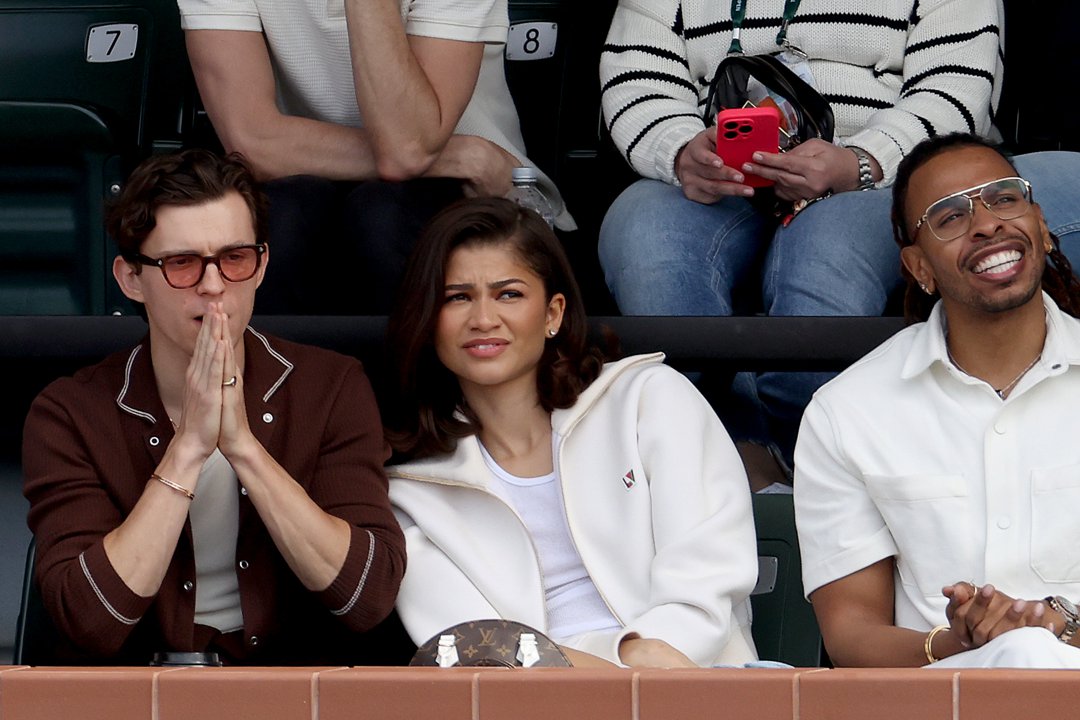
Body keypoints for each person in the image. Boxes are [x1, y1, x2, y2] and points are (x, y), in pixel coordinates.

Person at [598, 0, 1080, 466]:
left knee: (825, 259)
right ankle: (723, 456)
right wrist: (679, 149)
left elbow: (956, 87)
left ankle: (811, 462)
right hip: (717, 175)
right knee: (647, 237)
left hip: (880, 175)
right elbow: (636, 78)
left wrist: (862, 161)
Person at [21, 149, 406, 664]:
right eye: (181, 263)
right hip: (134, 696)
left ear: (262, 264)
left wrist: (243, 447)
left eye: (235, 258)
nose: (214, 285)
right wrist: (188, 451)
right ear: (131, 279)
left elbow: (367, 596)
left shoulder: (331, 386)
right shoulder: (69, 412)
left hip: (290, 694)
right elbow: (89, 618)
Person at [384, 197, 758, 667]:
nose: (482, 318)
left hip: (695, 681)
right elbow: (476, 653)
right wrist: (611, 679)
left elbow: (705, 589)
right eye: (457, 296)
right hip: (537, 708)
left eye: (509, 294)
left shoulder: (648, 399)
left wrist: (642, 664)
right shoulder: (411, 491)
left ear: (553, 314)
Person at [793, 133, 1080, 668]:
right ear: (919, 267)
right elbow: (852, 635)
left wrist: (1063, 626)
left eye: (1004, 198)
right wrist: (959, 643)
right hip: (940, 693)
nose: (987, 223)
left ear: (1041, 227)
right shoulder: (847, 410)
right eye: (949, 218)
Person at [177, 0, 573, 314]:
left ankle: (421, 413)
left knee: (380, 216)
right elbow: (252, 141)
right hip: (301, 184)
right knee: (284, 218)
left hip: (469, 194)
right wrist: (459, 155)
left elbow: (408, 145)